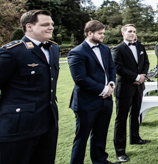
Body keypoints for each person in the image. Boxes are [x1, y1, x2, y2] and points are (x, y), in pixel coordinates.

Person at [0, 10, 59, 164]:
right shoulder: (12, 52)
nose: (51, 27)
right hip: (19, 127)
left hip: (48, 123)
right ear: (29, 27)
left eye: (51, 24)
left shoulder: (53, 49)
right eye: (45, 24)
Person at [68, 20, 117, 164]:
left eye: (103, 33)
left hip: (105, 101)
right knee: (81, 137)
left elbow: (111, 68)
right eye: (100, 33)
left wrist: (111, 84)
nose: (103, 36)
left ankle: (100, 161)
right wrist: (104, 90)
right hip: (86, 102)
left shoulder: (105, 49)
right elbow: (80, 79)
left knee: (100, 135)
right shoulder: (76, 52)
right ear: (90, 33)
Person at [111, 24, 150, 162]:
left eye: (134, 31)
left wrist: (143, 75)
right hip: (125, 88)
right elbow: (118, 68)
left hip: (139, 87)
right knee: (121, 119)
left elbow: (146, 62)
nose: (132, 33)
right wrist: (135, 77)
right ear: (123, 33)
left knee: (135, 114)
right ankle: (120, 150)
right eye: (129, 31)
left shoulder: (140, 46)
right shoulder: (118, 49)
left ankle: (135, 138)